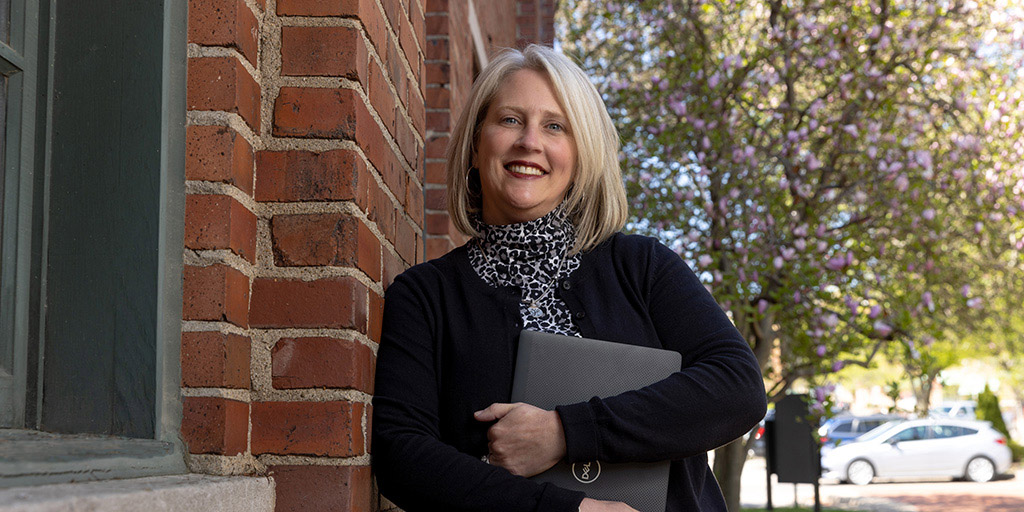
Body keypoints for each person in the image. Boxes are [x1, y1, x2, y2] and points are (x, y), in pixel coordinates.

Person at [371, 44, 767, 512]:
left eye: (555, 126)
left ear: (580, 156)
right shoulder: (425, 296)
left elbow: (737, 387)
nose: (529, 142)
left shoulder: (642, 266)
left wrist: (566, 433)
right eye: (510, 120)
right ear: (477, 145)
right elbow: (402, 457)